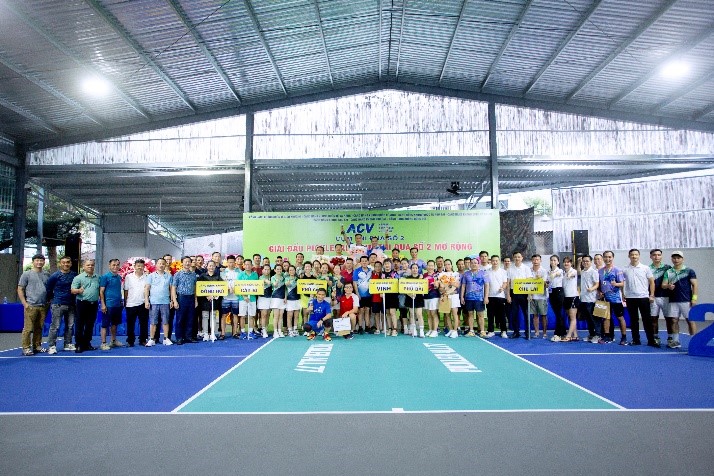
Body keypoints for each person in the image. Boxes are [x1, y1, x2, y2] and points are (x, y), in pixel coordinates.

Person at [662, 250, 698, 349]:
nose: (676, 260)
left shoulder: (689, 271)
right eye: (674, 258)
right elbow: (663, 285)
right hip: (673, 301)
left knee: (690, 320)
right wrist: (668, 286)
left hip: (686, 300)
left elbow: (695, 285)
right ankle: (676, 341)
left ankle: (694, 342)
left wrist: (694, 299)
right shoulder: (668, 272)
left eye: (678, 258)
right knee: (674, 320)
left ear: (682, 259)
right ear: (672, 259)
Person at [622, 249, 656, 347]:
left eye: (636, 254)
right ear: (629, 256)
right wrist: (623, 294)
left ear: (639, 256)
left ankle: (651, 340)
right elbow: (622, 283)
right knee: (633, 320)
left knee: (647, 319)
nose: (634, 256)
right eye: (632, 255)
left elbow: (652, 282)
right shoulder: (625, 269)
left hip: (643, 297)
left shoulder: (645, 268)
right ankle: (636, 340)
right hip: (630, 298)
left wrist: (652, 295)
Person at [18, 253, 49, 355]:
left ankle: (37, 346)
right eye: (37, 260)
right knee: (28, 328)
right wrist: (25, 304)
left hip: (43, 306)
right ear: (33, 262)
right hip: (31, 305)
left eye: (41, 260)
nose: (39, 262)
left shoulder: (46, 274)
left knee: (39, 328)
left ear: (44, 262)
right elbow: (20, 289)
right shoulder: (26, 274)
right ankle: (26, 348)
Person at [45, 255, 78, 354]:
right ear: (60, 264)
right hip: (58, 304)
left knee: (70, 326)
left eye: (68, 262)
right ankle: (51, 346)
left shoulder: (75, 275)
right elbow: (49, 289)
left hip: (71, 304)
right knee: (55, 326)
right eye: (63, 262)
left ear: (71, 264)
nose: (66, 264)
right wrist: (52, 299)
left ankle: (67, 344)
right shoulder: (55, 276)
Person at [599, 251, 627, 345]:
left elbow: (622, 283)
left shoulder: (617, 270)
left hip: (616, 299)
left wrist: (616, 284)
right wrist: (599, 292)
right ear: (603, 258)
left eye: (609, 257)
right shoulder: (600, 271)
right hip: (605, 299)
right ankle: (607, 336)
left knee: (620, 318)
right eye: (606, 257)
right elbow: (599, 284)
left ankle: (624, 337)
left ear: (612, 258)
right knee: (606, 318)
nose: (608, 259)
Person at [71, 259, 100, 353]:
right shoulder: (78, 278)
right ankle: (79, 345)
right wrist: (78, 290)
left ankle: (87, 343)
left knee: (90, 325)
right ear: (83, 266)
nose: (90, 266)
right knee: (80, 324)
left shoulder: (97, 277)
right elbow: (72, 290)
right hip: (82, 303)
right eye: (88, 265)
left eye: (92, 265)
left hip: (94, 304)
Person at [144, 258, 173, 346]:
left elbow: (171, 289)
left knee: (165, 321)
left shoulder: (169, 276)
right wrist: (146, 300)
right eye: (159, 263)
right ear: (156, 265)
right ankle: (152, 339)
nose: (161, 265)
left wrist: (172, 300)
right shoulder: (151, 276)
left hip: (165, 301)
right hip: (154, 302)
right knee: (153, 322)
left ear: (165, 265)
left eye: (163, 264)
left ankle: (166, 338)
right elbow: (147, 289)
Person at [171, 256, 198, 345]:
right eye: (185, 262)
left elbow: (195, 288)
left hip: (191, 298)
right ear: (182, 263)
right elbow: (173, 287)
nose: (187, 263)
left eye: (189, 262)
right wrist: (174, 300)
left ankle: (188, 337)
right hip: (181, 298)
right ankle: (179, 338)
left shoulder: (193, 274)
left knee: (190, 318)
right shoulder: (177, 274)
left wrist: (196, 300)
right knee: (180, 319)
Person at [99, 258, 124, 351]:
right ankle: (103, 343)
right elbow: (101, 291)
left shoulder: (119, 277)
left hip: (117, 305)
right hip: (108, 305)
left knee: (114, 324)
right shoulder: (105, 277)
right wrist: (103, 304)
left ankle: (113, 341)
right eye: (113, 265)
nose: (115, 267)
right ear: (109, 266)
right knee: (105, 325)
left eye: (117, 265)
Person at [123, 258, 149, 347]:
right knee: (130, 324)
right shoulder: (128, 277)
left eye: (142, 266)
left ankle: (143, 340)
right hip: (131, 303)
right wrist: (125, 302)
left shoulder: (147, 277)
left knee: (144, 323)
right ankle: (130, 340)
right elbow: (126, 290)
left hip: (143, 303)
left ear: (144, 267)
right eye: (138, 266)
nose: (140, 267)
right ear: (134, 266)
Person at [649, 248, 671, 347]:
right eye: (654, 255)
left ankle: (670, 338)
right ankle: (655, 338)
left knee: (669, 319)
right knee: (653, 319)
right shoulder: (647, 268)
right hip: (653, 297)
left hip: (666, 297)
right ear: (651, 257)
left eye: (658, 255)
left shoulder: (668, 268)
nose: (656, 257)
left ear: (661, 256)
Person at [507, 251, 531, 339]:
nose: (517, 258)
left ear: (522, 258)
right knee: (514, 314)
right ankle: (516, 332)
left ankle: (527, 332)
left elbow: (529, 282)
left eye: (519, 257)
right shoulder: (510, 269)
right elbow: (508, 283)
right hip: (513, 293)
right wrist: (508, 295)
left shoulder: (526, 268)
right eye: (515, 257)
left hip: (524, 293)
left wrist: (529, 295)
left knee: (526, 314)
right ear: (513, 258)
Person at [196, 261, 223, 341]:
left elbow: (222, 287)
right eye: (210, 266)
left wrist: (215, 295)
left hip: (214, 300)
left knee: (213, 316)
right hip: (204, 300)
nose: (211, 267)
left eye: (213, 266)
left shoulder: (218, 277)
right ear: (207, 267)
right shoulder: (202, 276)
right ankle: (205, 333)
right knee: (205, 316)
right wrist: (206, 295)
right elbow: (199, 287)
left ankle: (213, 333)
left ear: (215, 267)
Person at [461, 258, 486, 337]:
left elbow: (487, 285)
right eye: (472, 263)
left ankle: (482, 331)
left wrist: (486, 297)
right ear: (470, 264)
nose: (474, 264)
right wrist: (462, 297)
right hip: (468, 298)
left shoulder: (483, 273)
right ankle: (471, 331)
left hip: (479, 298)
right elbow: (463, 286)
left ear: (478, 264)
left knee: (480, 315)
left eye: (475, 263)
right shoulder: (466, 274)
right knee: (470, 314)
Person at [578, 256, 601, 343]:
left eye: (587, 261)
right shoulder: (583, 271)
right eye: (584, 261)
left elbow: (597, 284)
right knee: (588, 319)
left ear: (591, 262)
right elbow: (578, 271)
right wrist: (578, 262)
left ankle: (598, 335)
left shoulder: (594, 272)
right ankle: (591, 334)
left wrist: (592, 288)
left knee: (594, 318)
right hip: (583, 299)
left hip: (592, 299)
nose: (585, 263)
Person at [484, 255, 508, 338]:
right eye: (493, 261)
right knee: (490, 315)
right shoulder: (487, 272)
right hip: (490, 296)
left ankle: (503, 331)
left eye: (496, 260)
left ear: (499, 261)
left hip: (501, 297)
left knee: (502, 315)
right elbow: (486, 285)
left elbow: (505, 283)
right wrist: (486, 297)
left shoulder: (503, 271)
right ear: (491, 261)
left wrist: (502, 288)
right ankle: (491, 331)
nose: (495, 262)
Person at [236, 259, 259, 339]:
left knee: (251, 316)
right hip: (242, 299)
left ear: (251, 265)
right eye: (246, 264)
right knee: (242, 316)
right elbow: (238, 287)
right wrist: (244, 296)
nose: (247, 266)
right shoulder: (240, 275)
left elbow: (257, 287)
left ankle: (250, 332)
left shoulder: (255, 275)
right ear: (244, 265)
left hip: (252, 298)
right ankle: (242, 332)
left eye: (249, 264)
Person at [438, 259, 461, 338]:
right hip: (445, 295)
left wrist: (451, 285)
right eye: (446, 264)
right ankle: (451, 330)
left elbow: (457, 285)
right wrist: (444, 290)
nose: (447, 266)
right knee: (447, 314)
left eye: (449, 264)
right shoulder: (441, 274)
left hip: (454, 296)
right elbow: (441, 287)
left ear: (451, 265)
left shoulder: (456, 274)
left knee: (454, 313)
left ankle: (455, 331)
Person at [220, 255, 241, 338]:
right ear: (227, 262)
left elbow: (241, 283)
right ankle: (222, 333)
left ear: (235, 262)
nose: (231, 264)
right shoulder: (223, 272)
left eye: (232, 262)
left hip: (236, 297)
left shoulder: (239, 272)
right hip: (226, 297)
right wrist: (228, 288)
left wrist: (235, 289)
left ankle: (234, 333)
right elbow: (221, 284)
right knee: (224, 315)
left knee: (235, 315)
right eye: (229, 262)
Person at [529, 255, 549, 339]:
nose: (535, 261)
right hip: (532, 296)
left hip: (542, 296)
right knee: (535, 315)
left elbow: (546, 284)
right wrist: (530, 294)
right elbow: (528, 283)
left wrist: (539, 280)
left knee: (543, 315)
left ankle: (544, 333)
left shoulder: (544, 271)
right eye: (534, 259)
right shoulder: (529, 270)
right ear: (532, 261)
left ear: (540, 261)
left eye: (537, 259)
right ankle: (536, 332)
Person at [561, 257, 580, 341]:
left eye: (568, 262)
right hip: (566, 297)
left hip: (573, 296)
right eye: (565, 262)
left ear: (571, 263)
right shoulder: (563, 273)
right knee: (570, 317)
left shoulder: (574, 271)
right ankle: (575, 335)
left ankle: (568, 336)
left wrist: (578, 263)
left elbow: (575, 273)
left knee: (573, 317)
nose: (566, 264)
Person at [547, 255, 566, 340]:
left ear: (558, 262)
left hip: (559, 291)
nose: (553, 262)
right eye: (551, 260)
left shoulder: (560, 270)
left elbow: (554, 275)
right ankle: (561, 332)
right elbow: (548, 282)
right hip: (551, 292)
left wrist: (552, 274)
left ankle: (559, 333)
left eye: (555, 260)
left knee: (559, 313)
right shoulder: (548, 271)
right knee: (557, 313)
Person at [404, 263, 425, 337]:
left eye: (416, 268)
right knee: (412, 314)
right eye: (413, 268)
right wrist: (410, 294)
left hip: (419, 298)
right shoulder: (407, 278)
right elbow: (404, 289)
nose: (414, 269)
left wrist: (420, 280)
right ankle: (414, 330)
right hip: (410, 298)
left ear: (418, 269)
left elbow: (424, 288)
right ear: (411, 269)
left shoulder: (421, 278)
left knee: (419, 314)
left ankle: (421, 330)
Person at [353, 255, 372, 334]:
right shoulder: (356, 271)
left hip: (369, 294)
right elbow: (354, 283)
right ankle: (360, 327)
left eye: (365, 261)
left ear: (368, 262)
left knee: (367, 310)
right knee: (360, 311)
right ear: (360, 262)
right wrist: (357, 293)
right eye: (362, 261)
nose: (364, 262)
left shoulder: (371, 271)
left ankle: (367, 327)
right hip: (360, 294)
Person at [382, 259, 400, 336]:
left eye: (388, 264)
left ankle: (395, 329)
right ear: (383, 265)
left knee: (392, 312)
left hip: (393, 295)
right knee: (387, 313)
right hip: (385, 295)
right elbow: (379, 285)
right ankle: (389, 328)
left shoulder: (395, 273)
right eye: (385, 264)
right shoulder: (382, 274)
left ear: (391, 265)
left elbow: (398, 283)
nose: (387, 265)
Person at [423, 260, 440, 337]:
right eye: (429, 265)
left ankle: (435, 330)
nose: (430, 267)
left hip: (434, 296)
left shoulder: (437, 275)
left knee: (434, 313)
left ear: (434, 266)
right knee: (428, 314)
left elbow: (438, 285)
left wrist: (436, 284)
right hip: (426, 297)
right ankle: (430, 329)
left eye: (432, 265)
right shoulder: (424, 275)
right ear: (427, 266)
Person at [270, 264, 286, 338]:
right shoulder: (273, 277)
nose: (279, 270)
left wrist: (285, 297)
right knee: (276, 316)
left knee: (281, 316)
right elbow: (275, 285)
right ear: (275, 270)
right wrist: (276, 282)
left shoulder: (284, 278)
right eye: (277, 269)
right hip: (275, 298)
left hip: (282, 298)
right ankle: (275, 331)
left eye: (280, 269)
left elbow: (285, 289)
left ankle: (279, 330)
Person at [284, 265, 301, 336]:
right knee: (289, 316)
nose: (291, 271)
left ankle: (295, 329)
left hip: (297, 299)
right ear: (288, 271)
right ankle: (290, 330)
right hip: (289, 299)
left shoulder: (298, 279)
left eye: (293, 270)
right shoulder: (286, 279)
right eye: (290, 270)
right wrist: (285, 297)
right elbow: (285, 289)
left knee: (296, 315)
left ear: (295, 271)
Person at [257, 264, 272, 338]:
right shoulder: (260, 278)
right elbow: (262, 281)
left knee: (268, 314)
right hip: (262, 298)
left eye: (268, 269)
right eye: (265, 269)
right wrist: (265, 280)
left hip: (270, 298)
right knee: (264, 314)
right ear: (262, 270)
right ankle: (263, 329)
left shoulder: (272, 277)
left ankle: (265, 328)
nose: (267, 271)